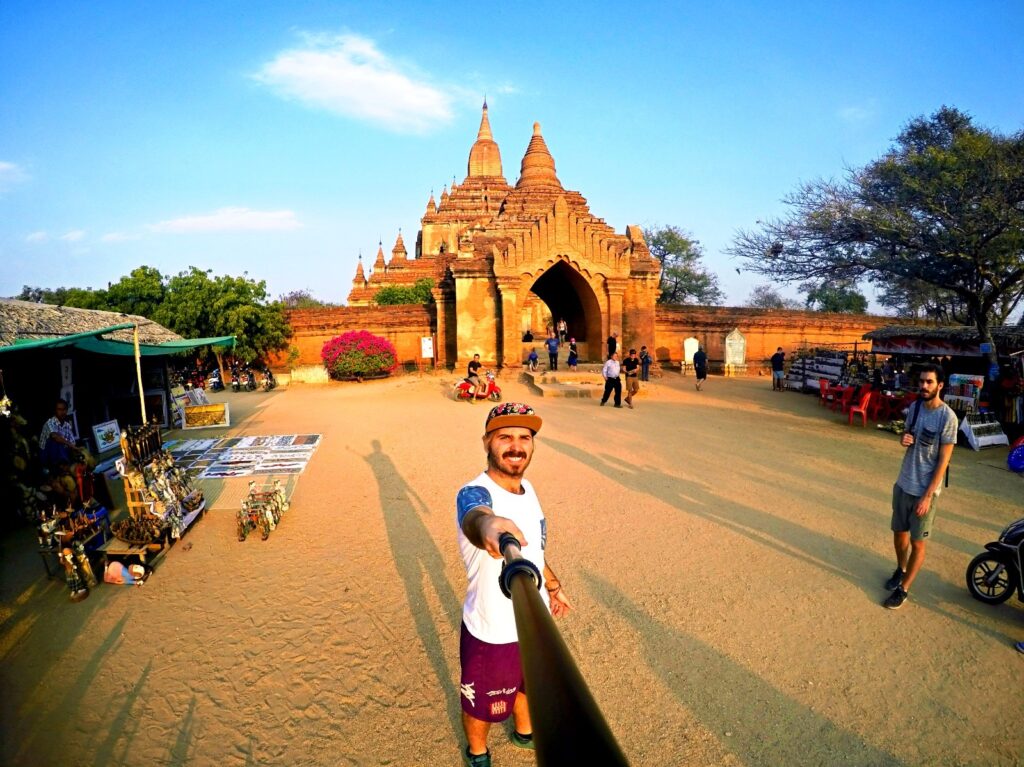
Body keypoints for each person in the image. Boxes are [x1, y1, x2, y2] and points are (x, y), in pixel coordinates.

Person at [455, 403, 572, 767]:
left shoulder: (528, 488)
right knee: (483, 704)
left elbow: (533, 550)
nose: (516, 446)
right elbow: (477, 517)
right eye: (504, 437)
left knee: (528, 686)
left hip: (533, 619)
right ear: (487, 442)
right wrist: (490, 529)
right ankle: (478, 752)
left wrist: (552, 585)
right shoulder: (475, 492)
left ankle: (524, 732)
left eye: (524, 438)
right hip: (494, 631)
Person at [883, 363, 957, 610]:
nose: (924, 386)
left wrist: (927, 497)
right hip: (904, 483)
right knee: (899, 534)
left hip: (925, 492)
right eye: (922, 381)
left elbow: (943, 462)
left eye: (929, 382)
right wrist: (903, 439)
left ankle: (904, 588)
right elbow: (907, 435)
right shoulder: (914, 408)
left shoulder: (948, 418)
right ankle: (900, 569)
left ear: (940, 385)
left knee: (917, 542)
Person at [39, 398, 77, 470]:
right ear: (55, 411)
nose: (62, 412)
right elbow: (55, 436)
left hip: (61, 454)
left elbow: (72, 443)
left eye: (64, 409)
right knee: (56, 441)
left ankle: (66, 465)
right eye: (59, 409)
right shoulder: (49, 423)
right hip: (46, 456)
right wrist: (70, 445)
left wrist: (75, 449)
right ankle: (63, 467)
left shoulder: (67, 426)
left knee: (73, 450)